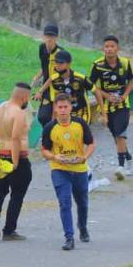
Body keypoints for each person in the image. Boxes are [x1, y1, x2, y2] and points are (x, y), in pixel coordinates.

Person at [41, 93, 95, 250]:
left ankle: (83, 226)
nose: (63, 110)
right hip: (59, 169)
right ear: (55, 109)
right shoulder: (50, 127)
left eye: (66, 107)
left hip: (79, 169)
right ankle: (69, 237)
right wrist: (54, 157)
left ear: (71, 108)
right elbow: (44, 150)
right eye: (60, 107)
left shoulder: (80, 124)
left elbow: (91, 143)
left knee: (82, 202)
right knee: (65, 203)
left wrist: (84, 157)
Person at [0, 82, 33, 241]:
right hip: (15, 156)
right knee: (17, 194)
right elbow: (15, 138)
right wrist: (15, 161)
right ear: (24, 96)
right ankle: (9, 230)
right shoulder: (19, 113)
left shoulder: (1, 107)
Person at [89, 35, 133, 174]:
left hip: (122, 106)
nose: (109, 49)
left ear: (118, 48)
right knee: (116, 135)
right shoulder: (97, 65)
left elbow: (131, 82)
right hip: (106, 107)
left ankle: (120, 166)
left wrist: (124, 96)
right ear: (103, 49)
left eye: (112, 46)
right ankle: (128, 157)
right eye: (106, 46)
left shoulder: (125, 63)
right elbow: (92, 86)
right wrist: (107, 96)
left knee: (120, 133)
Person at [40, 49, 92, 126]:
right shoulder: (54, 79)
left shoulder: (80, 78)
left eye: (61, 62)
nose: (58, 65)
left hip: (81, 114)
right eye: (56, 62)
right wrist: (53, 121)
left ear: (69, 64)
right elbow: (56, 101)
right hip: (65, 115)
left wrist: (103, 114)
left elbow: (96, 91)